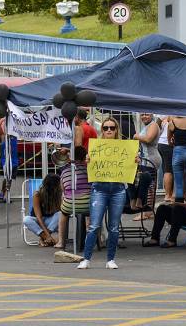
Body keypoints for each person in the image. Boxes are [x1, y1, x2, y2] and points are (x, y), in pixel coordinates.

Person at [78, 117, 126, 270]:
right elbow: (89, 166)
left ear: (117, 129)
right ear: (102, 130)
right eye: (106, 128)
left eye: (112, 127)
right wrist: (88, 160)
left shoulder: (124, 147)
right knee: (94, 225)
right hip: (99, 189)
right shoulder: (96, 147)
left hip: (118, 189)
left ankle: (110, 259)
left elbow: (130, 167)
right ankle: (86, 259)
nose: (109, 130)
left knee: (113, 227)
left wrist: (135, 161)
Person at [56, 145, 91, 249]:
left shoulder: (65, 171)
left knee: (63, 214)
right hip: (87, 205)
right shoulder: (89, 170)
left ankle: (61, 241)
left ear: (71, 157)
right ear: (85, 157)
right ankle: (96, 240)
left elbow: (63, 189)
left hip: (69, 205)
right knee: (93, 212)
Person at [130, 112, 161, 220]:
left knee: (150, 186)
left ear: (152, 115)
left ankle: (147, 212)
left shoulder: (153, 125)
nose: (144, 117)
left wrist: (136, 136)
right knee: (147, 185)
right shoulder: (147, 126)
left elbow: (148, 139)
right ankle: (146, 209)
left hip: (151, 159)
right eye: (142, 115)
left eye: (146, 114)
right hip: (146, 159)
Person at [23, 174, 62, 246]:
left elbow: (60, 211)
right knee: (26, 219)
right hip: (38, 221)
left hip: (51, 222)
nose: (61, 185)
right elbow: (39, 217)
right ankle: (47, 238)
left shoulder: (58, 194)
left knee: (60, 214)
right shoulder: (38, 194)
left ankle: (43, 239)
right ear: (53, 186)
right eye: (59, 184)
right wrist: (47, 235)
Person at [169, 116, 186, 203]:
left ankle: (179, 209)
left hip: (178, 152)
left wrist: (174, 141)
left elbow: (169, 141)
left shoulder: (172, 123)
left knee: (179, 184)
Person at [0, 116, 18, 202]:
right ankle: (4, 194)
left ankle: (4, 193)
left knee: (9, 178)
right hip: (5, 161)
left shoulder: (15, 136)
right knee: (7, 177)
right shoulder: (3, 137)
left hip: (14, 161)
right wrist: (2, 120)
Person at [156, 115, 174, 203]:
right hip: (167, 143)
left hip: (161, 143)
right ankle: (168, 194)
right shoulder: (174, 112)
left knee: (166, 168)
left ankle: (169, 193)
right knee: (169, 170)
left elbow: (157, 123)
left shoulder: (165, 111)